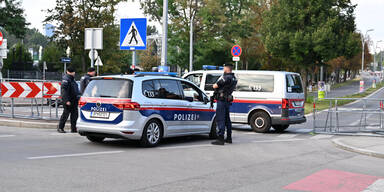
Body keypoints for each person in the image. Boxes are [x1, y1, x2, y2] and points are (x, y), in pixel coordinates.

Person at [211, 63, 237, 145]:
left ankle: (220, 138)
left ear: (227, 68)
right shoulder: (234, 78)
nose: (223, 69)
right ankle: (229, 137)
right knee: (227, 120)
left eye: (224, 67)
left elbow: (215, 86)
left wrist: (214, 85)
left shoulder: (226, 77)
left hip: (222, 101)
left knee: (220, 119)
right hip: (227, 100)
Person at [58, 67, 81, 133]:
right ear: (70, 72)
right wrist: (66, 100)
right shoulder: (66, 79)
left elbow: (75, 90)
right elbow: (64, 91)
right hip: (69, 100)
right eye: (73, 72)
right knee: (65, 114)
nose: (74, 73)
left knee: (74, 115)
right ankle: (60, 128)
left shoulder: (72, 79)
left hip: (74, 100)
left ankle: (73, 128)